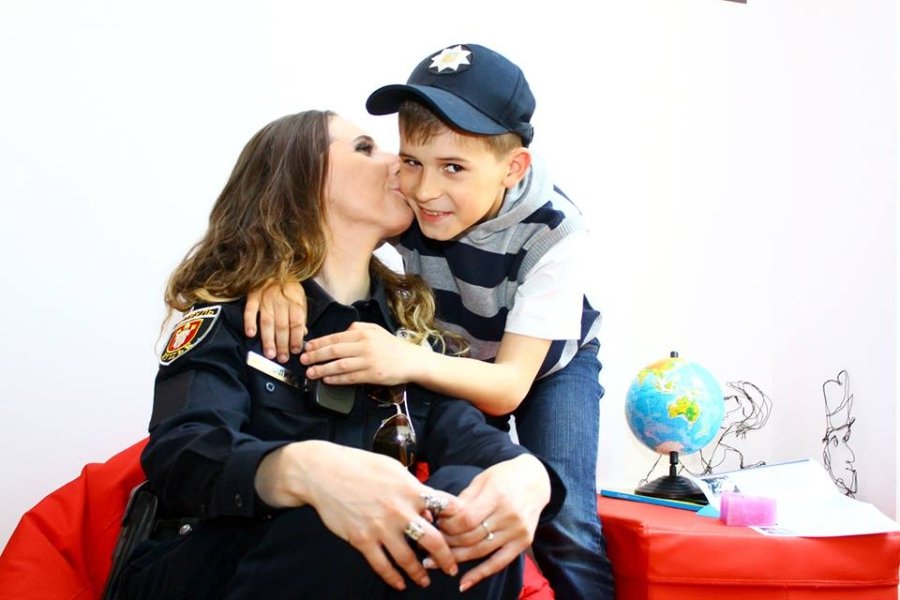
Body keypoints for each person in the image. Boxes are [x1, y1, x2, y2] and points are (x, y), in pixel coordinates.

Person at [112, 110, 562, 599]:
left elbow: (468, 437)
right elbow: (181, 453)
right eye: (365, 148)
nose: (399, 163)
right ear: (301, 181)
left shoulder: (404, 340)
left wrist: (527, 476)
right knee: (335, 518)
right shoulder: (234, 315)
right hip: (216, 568)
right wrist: (305, 471)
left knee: (468, 502)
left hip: (350, 577)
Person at [245, 44, 615, 599]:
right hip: (454, 355)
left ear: (513, 168)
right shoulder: (415, 206)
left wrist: (407, 359)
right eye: (412, 161)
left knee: (566, 521)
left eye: (453, 168)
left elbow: (508, 388)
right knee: (470, 486)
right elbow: (325, 229)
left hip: (539, 367)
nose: (424, 189)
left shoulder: (556, 232)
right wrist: (276, 274)